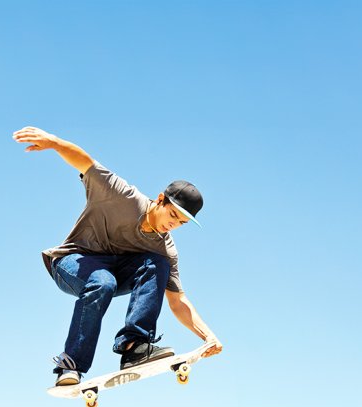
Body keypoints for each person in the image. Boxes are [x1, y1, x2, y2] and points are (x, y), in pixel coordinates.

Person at [13, 126, 223, 386]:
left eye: (180, 223)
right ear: (160, 200)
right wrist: (55, 143)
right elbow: (86, 162)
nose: (173, 225)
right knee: (103, 282)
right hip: (72, 261)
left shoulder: (165, 247)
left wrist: (207, 336)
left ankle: (134, 345)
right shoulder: (122, 196)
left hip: (114, 270)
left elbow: (178, 302)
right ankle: (71, 365)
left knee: (157, 264)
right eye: (172, 216)